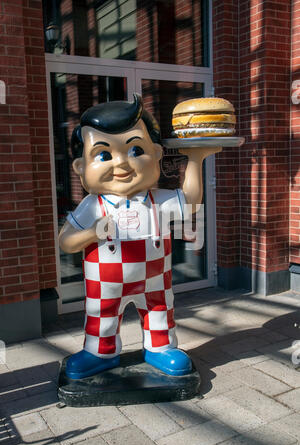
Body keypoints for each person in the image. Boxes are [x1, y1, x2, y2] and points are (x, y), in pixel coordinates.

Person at [59, 94, 220, 379]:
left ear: (157, 154)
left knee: (160, 312)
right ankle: (99, 352)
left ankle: (160, 347)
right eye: (104, 155)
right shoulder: (92, 205)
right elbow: (66, 241)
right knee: (101, 317)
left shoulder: (157, 199)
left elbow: (191, 202)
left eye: (135, 151)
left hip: (155, 280)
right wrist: (91, 233)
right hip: (105, 284)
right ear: (80, 168)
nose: (121, 164)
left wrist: (195, 159)